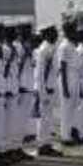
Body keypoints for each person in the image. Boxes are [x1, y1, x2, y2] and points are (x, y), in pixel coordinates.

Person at [33, 25, 63, 157]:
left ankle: (47, 144)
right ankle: (42, 146)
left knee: (48, 119)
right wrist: (42, 93)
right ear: (46, 34)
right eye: (53, 33)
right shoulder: (43, 50)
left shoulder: (51, 48)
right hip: (45, 89)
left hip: (51, 88)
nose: (56, 35)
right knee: (43, 119)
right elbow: (39, 74)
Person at [57, 22, 82, 145]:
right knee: (66, 109)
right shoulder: (64, 46)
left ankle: (72, 132)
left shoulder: (72, 45)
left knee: (73, 108)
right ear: (68, 32)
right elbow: (62, 66)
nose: (75, 32)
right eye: (73, 30)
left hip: (74, 77)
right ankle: (65, 136)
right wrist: (65, 87)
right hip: (67, 77)